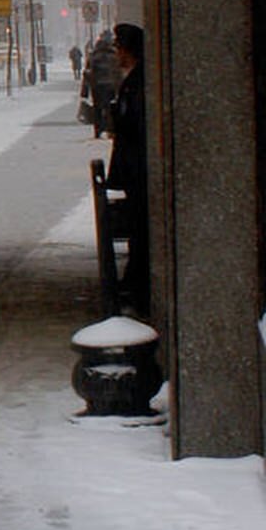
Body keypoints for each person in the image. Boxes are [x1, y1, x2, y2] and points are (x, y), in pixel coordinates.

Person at [107, 21, 149, 314]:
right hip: (133, 170)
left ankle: (137, 286)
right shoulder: (134, 80)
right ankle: (134, 282)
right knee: (137, 228)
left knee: (140, 228)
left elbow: (132, 124)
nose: (116, 54)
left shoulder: (139, 83)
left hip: (138, 171)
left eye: (119, 48)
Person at [85, 30, 121, 138]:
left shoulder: (93, 56)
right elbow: (118, 72)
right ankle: (111, 128)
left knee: (98, 108)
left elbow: (88, 73)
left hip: (97, 87)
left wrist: (85, 90)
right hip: (111, 86)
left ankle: (98, 128)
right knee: (111, 107)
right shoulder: (114, 55)